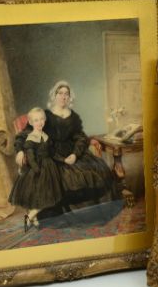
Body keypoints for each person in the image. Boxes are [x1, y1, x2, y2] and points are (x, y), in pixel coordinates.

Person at [14, 81, 114, 219]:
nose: (63, 96)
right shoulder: (45, 115)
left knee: (96, 169)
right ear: (54, 96)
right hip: (52, 154)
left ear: (69, 97)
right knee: (66, 177)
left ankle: (90, 215)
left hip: (72, 152)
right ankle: (58, 215)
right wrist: (20, 150)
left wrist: (74, 154)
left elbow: (80, 138)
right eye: (60, 93)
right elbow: (24, 135)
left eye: (66, 94)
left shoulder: (74, 117)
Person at [9, 107, 63, 231]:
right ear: (31, 123)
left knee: (47, 195)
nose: (40, 122)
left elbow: (52, 151)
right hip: (37, 168)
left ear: (44, 120)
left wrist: (63, 159)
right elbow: (31, 156)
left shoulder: (45, 135)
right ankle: (30, 216)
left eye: (41, 120)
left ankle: (33, 218)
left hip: (49, 167)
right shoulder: (31, 137)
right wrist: (37, 169)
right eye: (36, 120)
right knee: (44, 197)